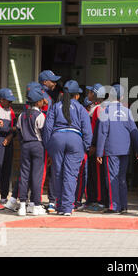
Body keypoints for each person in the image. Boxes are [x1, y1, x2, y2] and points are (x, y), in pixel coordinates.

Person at [43, 80, 92, 216]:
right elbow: (87, 130)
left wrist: (48, 146)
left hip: (57, 139)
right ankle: (67, 208)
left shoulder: (55, 106)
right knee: (71, 175)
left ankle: (58, 205)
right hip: (75, 140)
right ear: (76, 95)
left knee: (58, 173)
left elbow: (47, 128)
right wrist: (85, 147)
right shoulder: (81, 108)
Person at [96, 84, 138, 214]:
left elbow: (102, 132)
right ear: (122, 97)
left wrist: (99, 152)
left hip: (111, 150)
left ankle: (114, 206)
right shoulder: (127, 111)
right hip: (125, 150)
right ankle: (123, 205)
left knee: (112, 177)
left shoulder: (105, 111)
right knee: (122, 178)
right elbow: (134, 132)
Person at [16, 87, 47, 216]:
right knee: (36, 176)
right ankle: (36, 205)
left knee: (24, 174)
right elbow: (44, 133)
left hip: (25, 145)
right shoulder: (40, 115)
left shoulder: (21, 115)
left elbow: (18, 130)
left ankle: (22, 205)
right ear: (38, 102)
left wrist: (22, 141)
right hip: (37, 145)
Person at [38, 71, 62, 213]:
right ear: (45, 82)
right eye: (52, 81)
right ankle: (41, 201)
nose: (54, 83)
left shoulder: (41, 96)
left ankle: (45, 200)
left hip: (42, 138)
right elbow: (47, 123)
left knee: (48, 171)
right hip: (43, 139)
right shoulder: (42, 97)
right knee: (44, 171)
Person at [85, 83, 109, 212]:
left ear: (94, 94)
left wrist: (94, 145)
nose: (88, 94)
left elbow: (97, 130)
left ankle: (100, 201)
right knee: (94, 175)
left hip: (98, 147)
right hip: (96, 146)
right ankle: (94, 199)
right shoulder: (95, 108)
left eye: (90, 92)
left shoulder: (99, 109)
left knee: (99, 176)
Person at [0, 88, 17, 204]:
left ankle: (4, 196)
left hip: (9, 140)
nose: (10, 103)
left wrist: (10, 135)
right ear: (1, 100)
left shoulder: (10, 111)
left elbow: (16, 128)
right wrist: (11, 130)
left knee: (7, 170)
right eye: (8, 101)